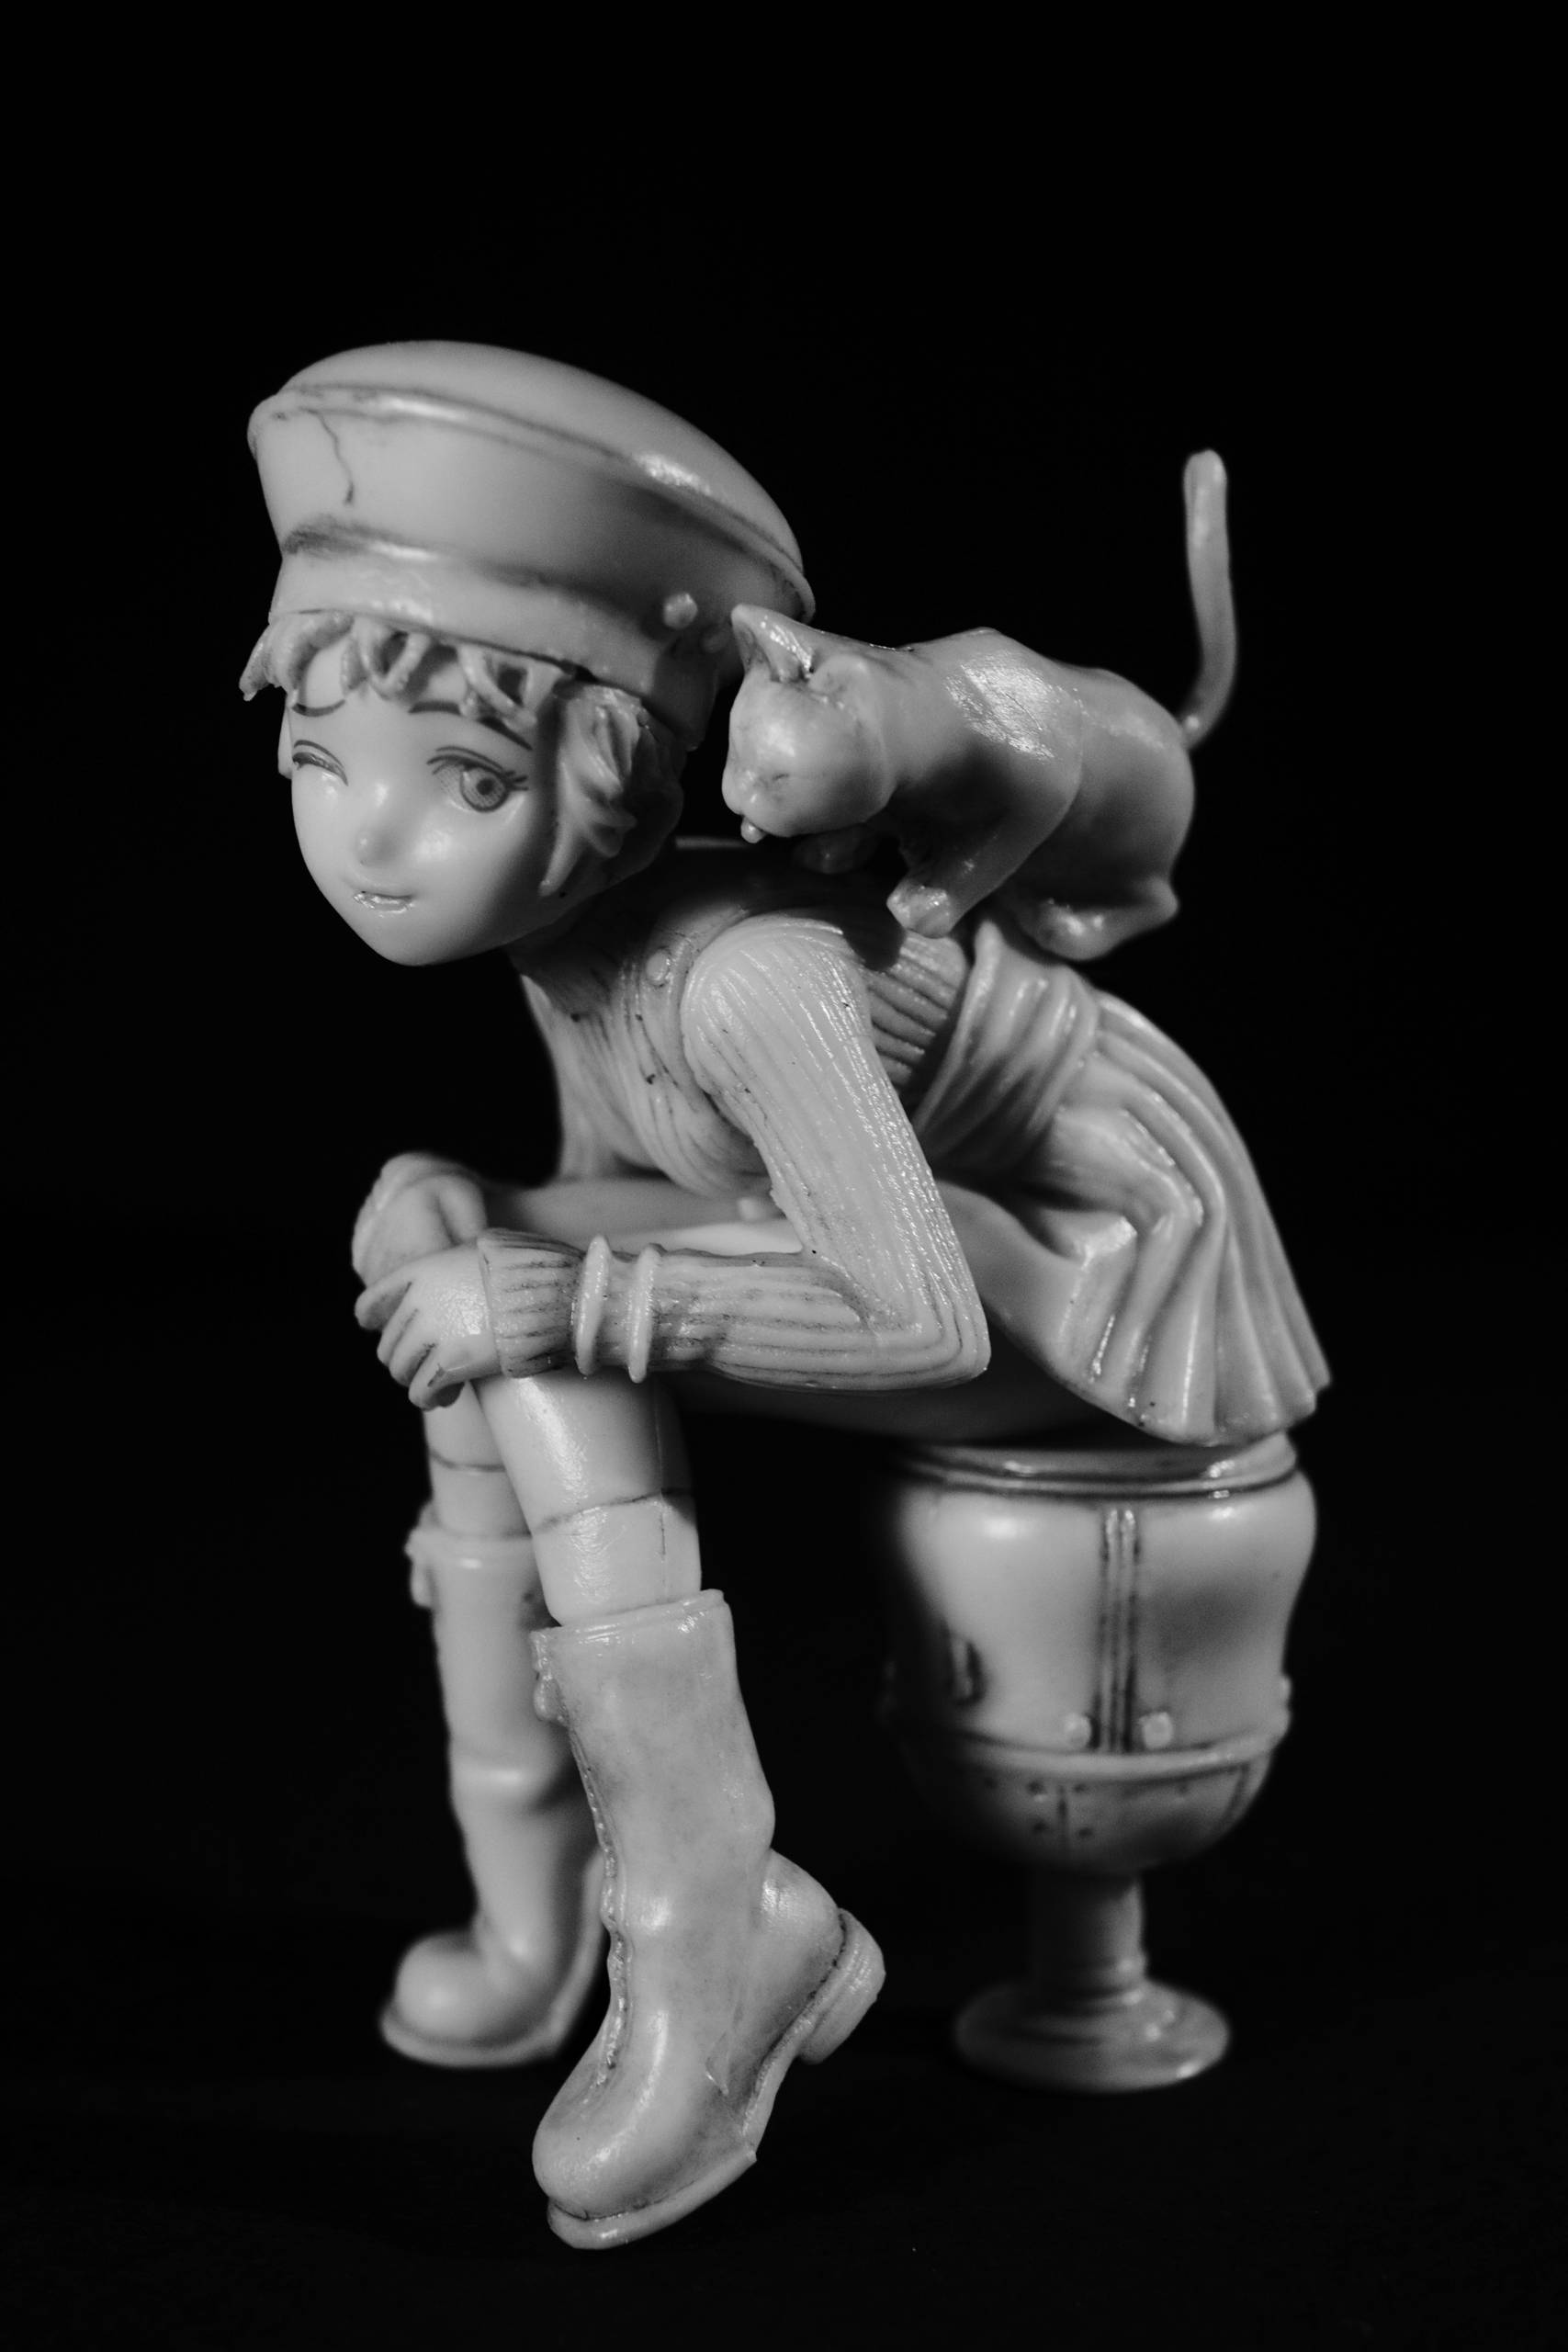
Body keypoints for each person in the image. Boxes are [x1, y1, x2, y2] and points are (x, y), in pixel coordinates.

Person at [244, 341, 1325, 2248]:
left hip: (1111, 1268)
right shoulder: (574, 950)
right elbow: (661, 1201)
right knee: (452, 1230)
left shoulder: (744, 977)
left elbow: (912, 1312)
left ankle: (710, 1916)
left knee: (534, 1305)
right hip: (950, 1237)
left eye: (463, 777)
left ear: (610, 788)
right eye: (320, 766)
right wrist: (494, 1248)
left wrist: (554, 1299)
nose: (370, 842)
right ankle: (542, 1913)